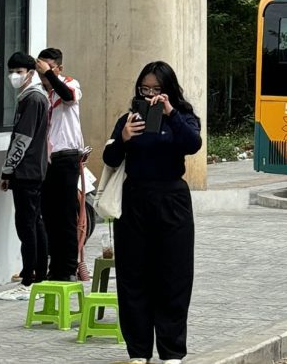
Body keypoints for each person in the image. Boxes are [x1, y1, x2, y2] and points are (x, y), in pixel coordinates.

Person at [103, 61, 202, 364]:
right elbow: (109, 157)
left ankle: (172, 351)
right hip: (135, 200)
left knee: (174, 274)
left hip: (172, 198)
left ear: (168, 90)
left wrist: (171, 113)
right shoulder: (128, 119)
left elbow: (193, 144)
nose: (149, 96)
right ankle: (138, 351)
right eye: (144, 90)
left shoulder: (182, 118)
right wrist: (124, 138)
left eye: (156, 90)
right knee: (133, 276)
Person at [0, 52, 50, 301]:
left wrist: (8, 170)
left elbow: (22, 139)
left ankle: (30, 280)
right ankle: (40, 276)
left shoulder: (32, 99)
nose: (14, 76)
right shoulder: (35, 98)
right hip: (34, 170)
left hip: (26, 171)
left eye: (19, 71)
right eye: (12, 71)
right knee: (35, 223)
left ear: (30, 73)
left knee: (26, 225)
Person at [36, 47, 85, 281]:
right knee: (49, 215)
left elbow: (67, 96)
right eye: (41, 70)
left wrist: (51, 75)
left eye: (49, 69)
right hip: (47, 160)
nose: (43, 75)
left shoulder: (70, 83)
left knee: (65, 215)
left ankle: (67, 268)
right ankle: (53, 266)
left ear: (59, 68)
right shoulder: (39, 93)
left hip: (66, 157)